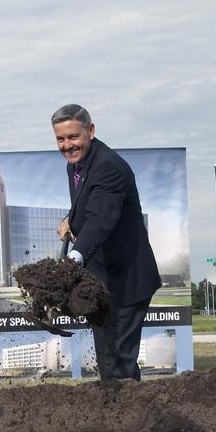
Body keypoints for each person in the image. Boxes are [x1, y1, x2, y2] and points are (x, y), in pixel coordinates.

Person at [53, 104, 162, 380]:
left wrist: (73, 259)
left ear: (90, 131)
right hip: (102, 280)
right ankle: (116, 414)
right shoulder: (76, 165)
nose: (67, 145)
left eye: (73, 137)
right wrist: (71, 218)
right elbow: (91, 204)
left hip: (126, 281)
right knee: (107, 359)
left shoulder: (109, 166)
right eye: (61, 139)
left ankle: (131, 419)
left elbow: (101, 219)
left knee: (119, 361)